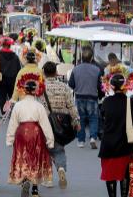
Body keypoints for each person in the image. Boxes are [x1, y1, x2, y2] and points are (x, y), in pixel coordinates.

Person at [6, 74, 54, 197]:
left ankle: (24, 181)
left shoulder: (18, 105)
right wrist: (50, 140)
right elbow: (45, 123)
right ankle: (35, 190)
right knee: (35, 158)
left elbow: (13, 123)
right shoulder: (39, 106)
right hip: (35, 133)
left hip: (21, 132)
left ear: (24, 90)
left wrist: (9, 139)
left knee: (23, 157)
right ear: (35, 91)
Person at [99, 74, 133, 197]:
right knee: (124, 174)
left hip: (108, 145)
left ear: (111, 86)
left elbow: (102, 118)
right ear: (125, 86)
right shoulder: (130, 103)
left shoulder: (106, 102)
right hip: (124, 144)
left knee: (110, 175)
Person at [41, 61, 81, 189]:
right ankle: (61, 168)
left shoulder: (41, 88)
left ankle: (48, 179)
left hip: (46, 122)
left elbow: (38, 106)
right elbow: (71, 106)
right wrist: (76, 121)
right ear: (56, 72)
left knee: (46, 150)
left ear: (44, 73)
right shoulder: (64, 87)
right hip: (62, 123)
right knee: (59, 150)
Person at [68, 46, 101, 149]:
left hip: (79, 96)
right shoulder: (97, 69)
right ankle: (92, 137)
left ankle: (81, 140)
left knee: (80, 119)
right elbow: (100, 86)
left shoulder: (76, 69)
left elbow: (71, 84)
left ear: (82, 57)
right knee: (93, 118)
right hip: (92, 96)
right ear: (91, 58)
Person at [0, 37, 21, 114]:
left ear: (2, 45)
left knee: (2, 97)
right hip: (12, 80)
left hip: (2, 80)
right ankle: (12, 112)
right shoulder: (15, 57)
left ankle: (3, 113)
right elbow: (19, 69)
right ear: (10, 46)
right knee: (12, 96)